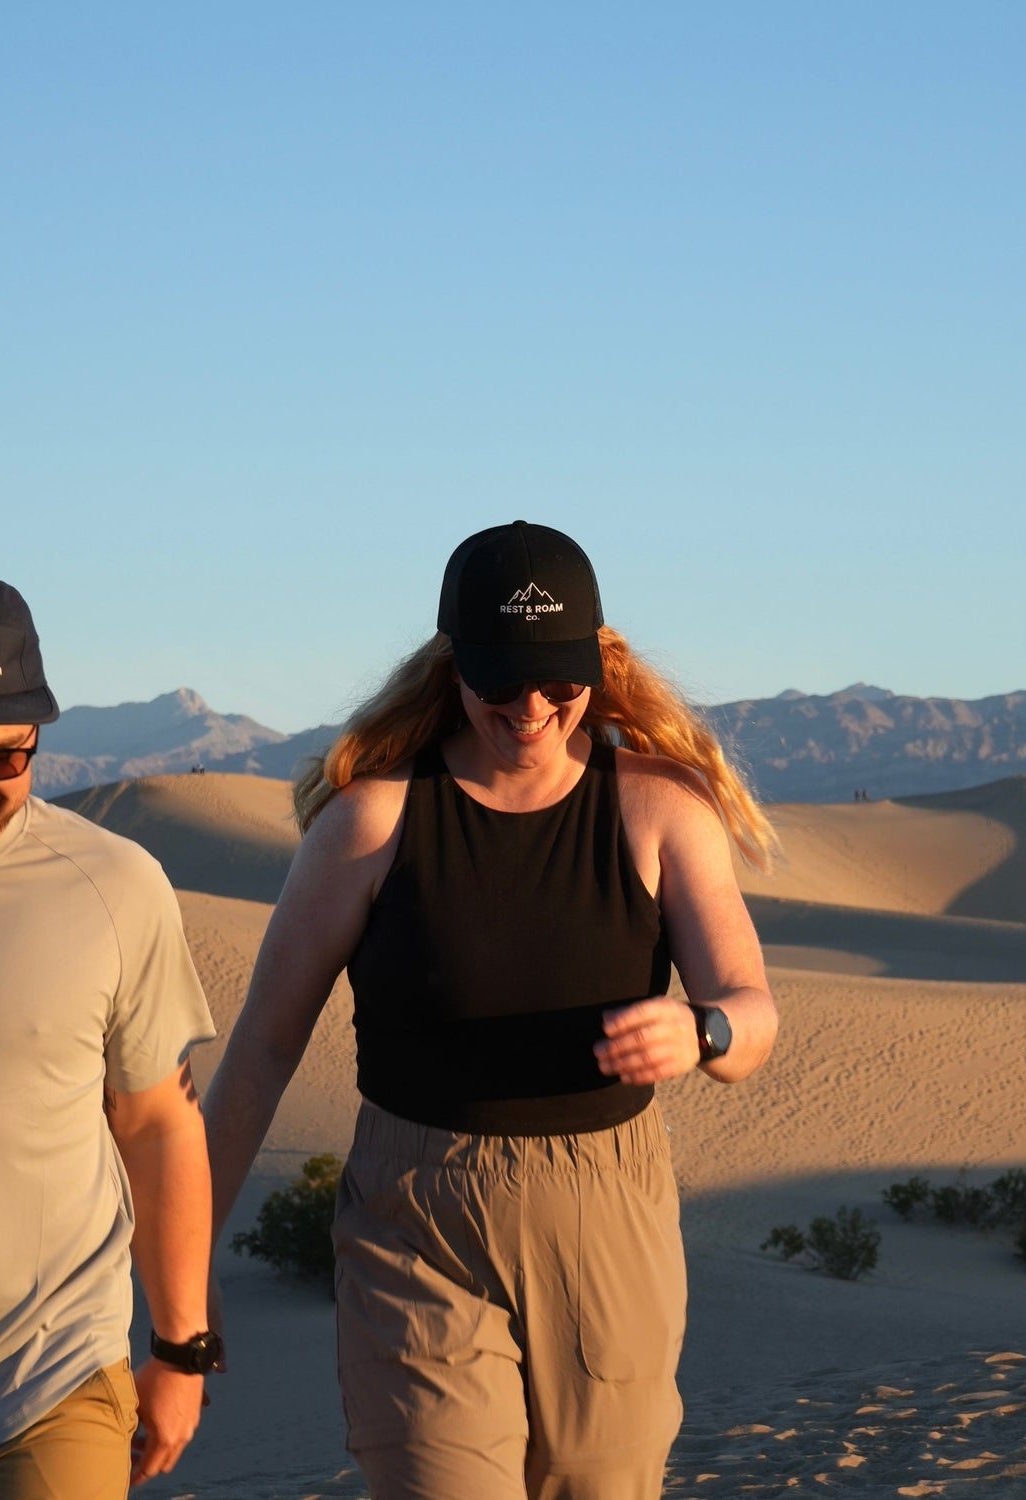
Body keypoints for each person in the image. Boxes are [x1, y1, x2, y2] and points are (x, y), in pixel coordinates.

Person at [203, 520, 779, 1500]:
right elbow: (259, 1050)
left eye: (558, 682)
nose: (531, 708)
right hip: (415, 1213)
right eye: (500, 682)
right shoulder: (371, 822)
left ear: (597, 664)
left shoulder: (658, 810)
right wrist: (186, 1259)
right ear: (453, 667)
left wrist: (702, 1030)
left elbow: (751, 1012)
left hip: (607, 1212)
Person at [0, 569, 222, 1498]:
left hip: (48, 1380)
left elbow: (156, 1123)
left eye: (0, 760)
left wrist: (183, 1353)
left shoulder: (112, 887)